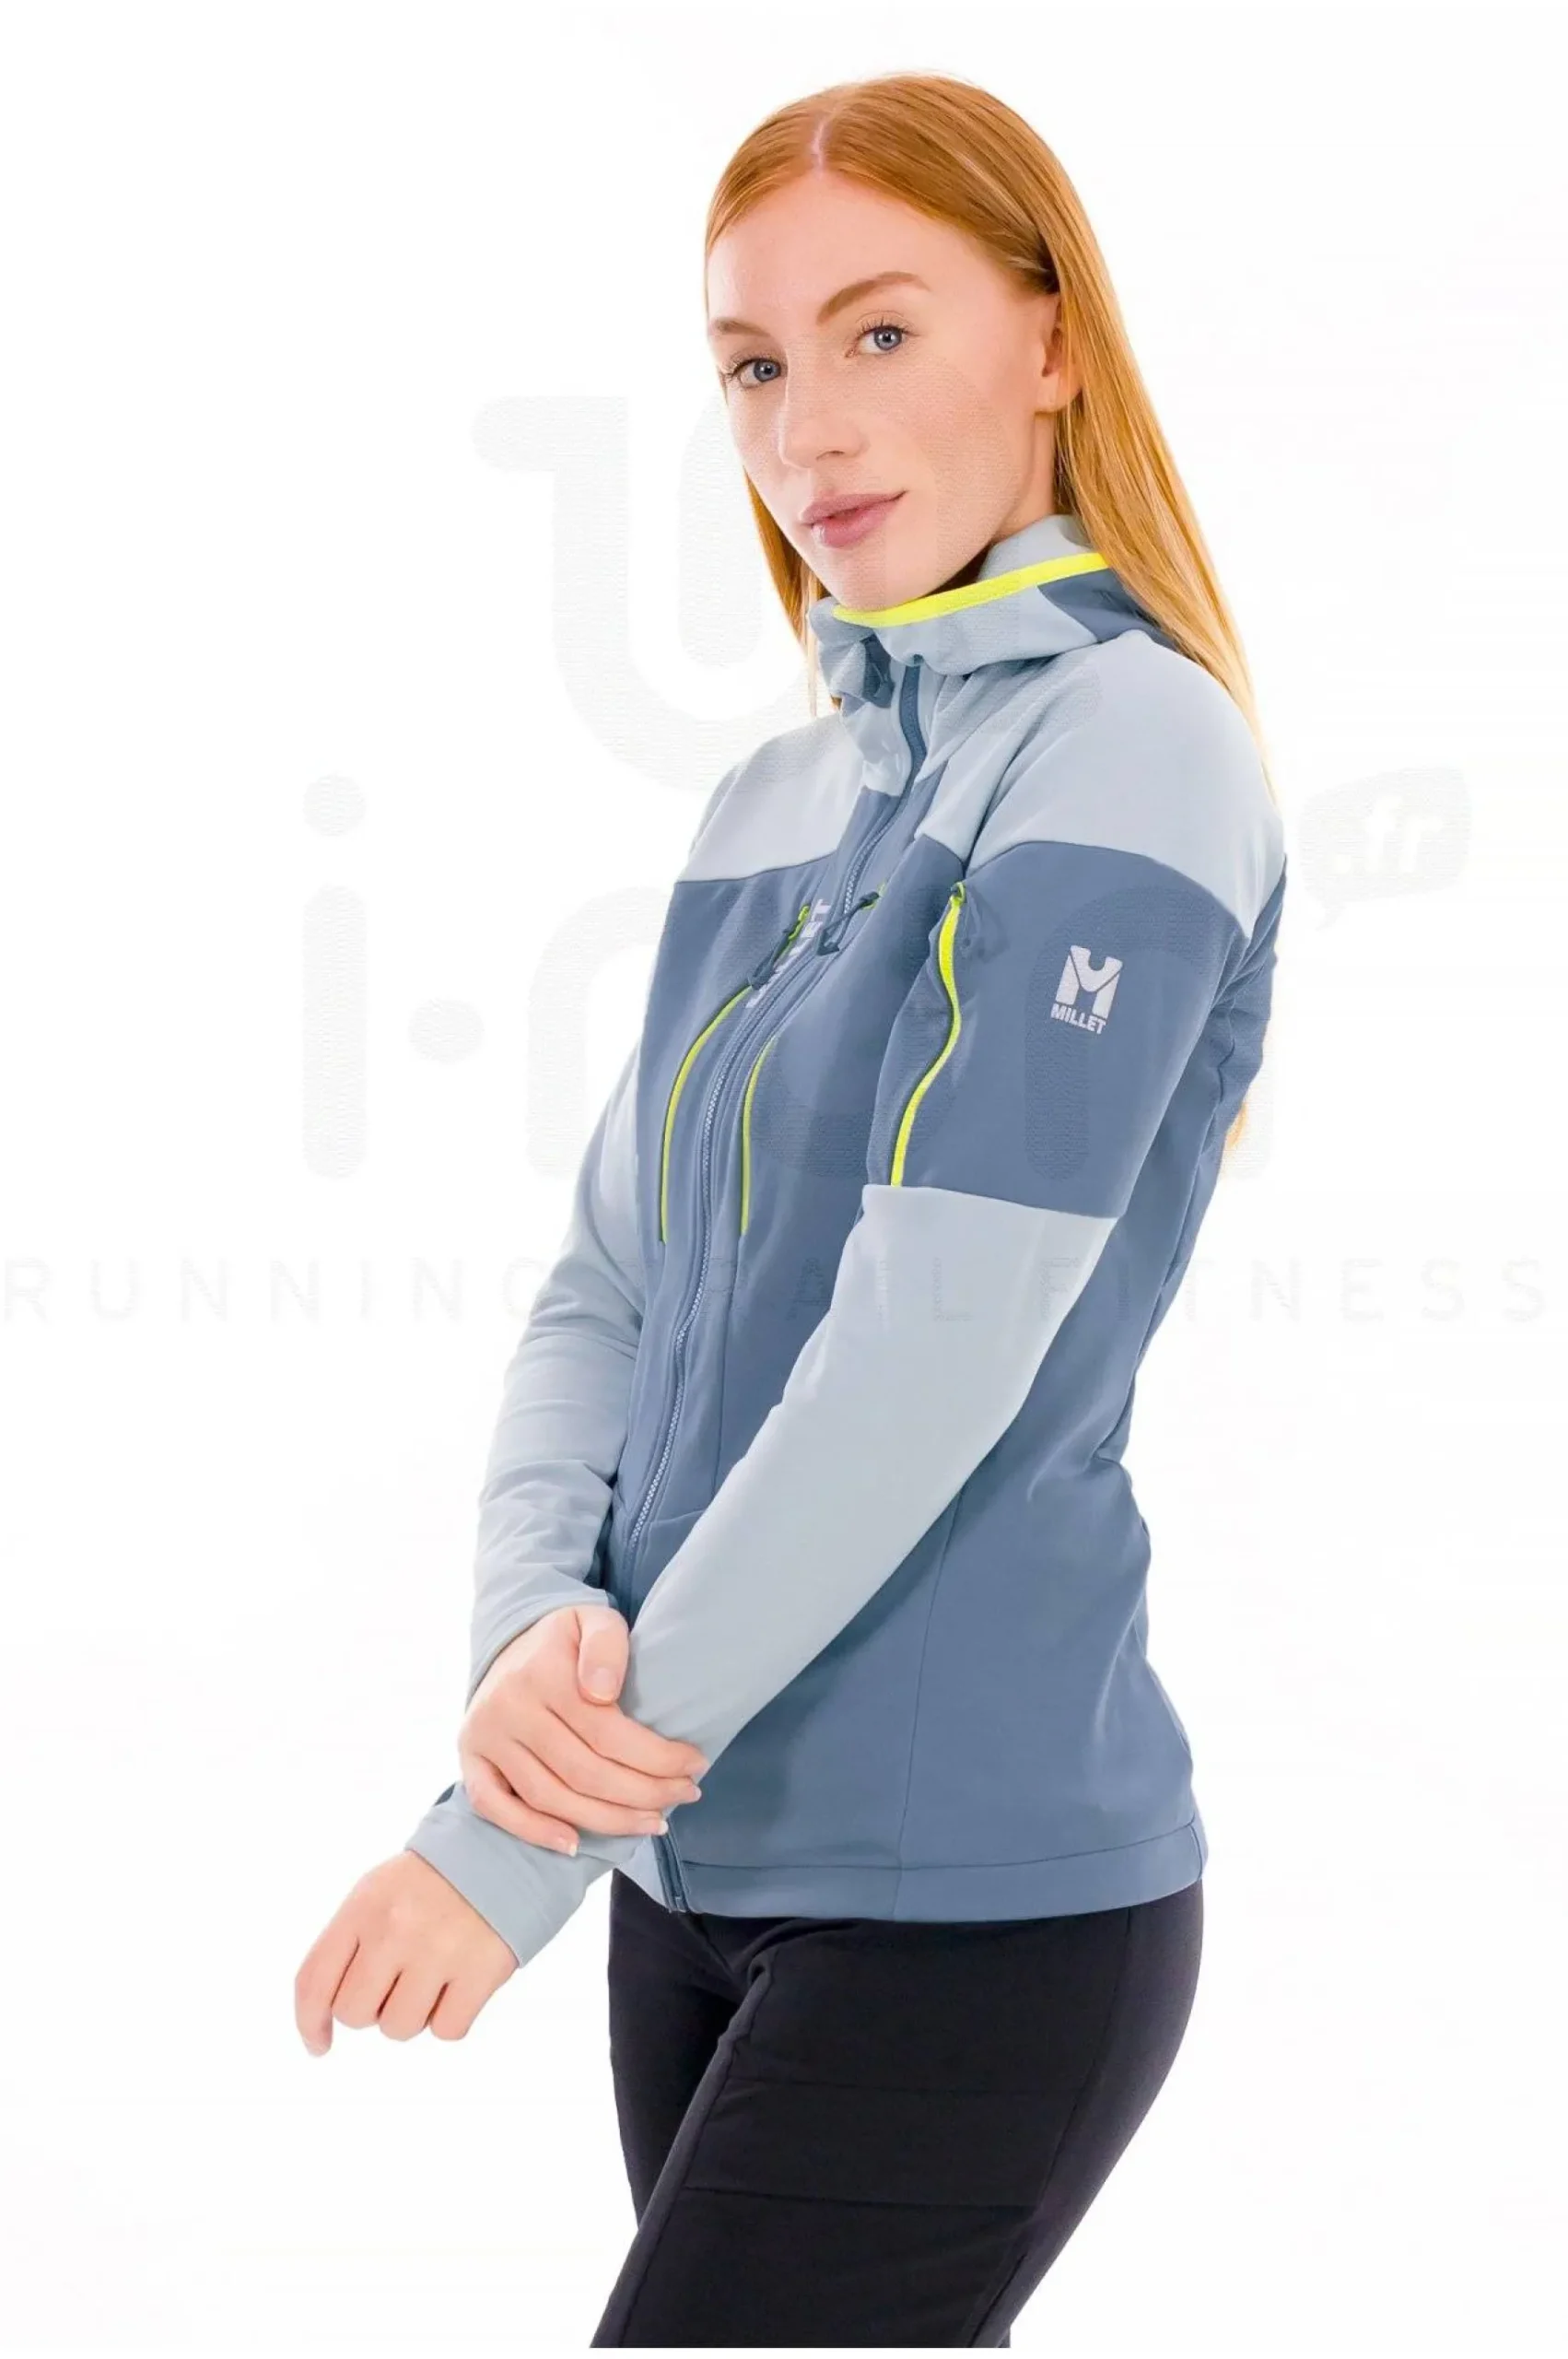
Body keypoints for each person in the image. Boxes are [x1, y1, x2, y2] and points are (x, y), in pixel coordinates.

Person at [295, 68, 1288, 2347]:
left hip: (971, 1893)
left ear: (1050, 339)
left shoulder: (1133, 746)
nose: (803, 426)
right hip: (688, 1868)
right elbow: (607, 1284)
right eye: (749, 363)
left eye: (878, 332)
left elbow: (934, 1342)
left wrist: (506, 1835)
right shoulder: (772, 791)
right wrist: (523, 1634)